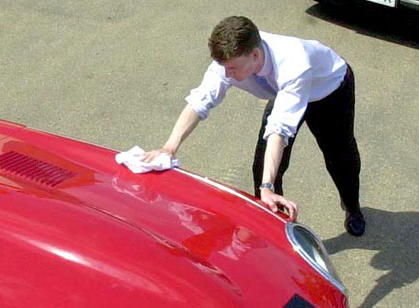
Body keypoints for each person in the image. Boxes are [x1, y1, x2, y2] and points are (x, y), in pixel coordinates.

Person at [143, 16, 365, 236]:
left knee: (339, 156)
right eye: (224, 68)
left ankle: (352, 208)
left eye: (232, 69)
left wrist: (266, 186)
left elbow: (279, 129)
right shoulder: (229, 62)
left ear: (255, 55)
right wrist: (169, 147)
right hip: (283, 91)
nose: (227, 75)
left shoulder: (295, 63)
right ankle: (276, 229)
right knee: (263, 168)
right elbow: (199, 101)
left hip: (329, 91)